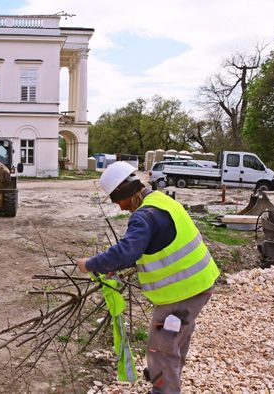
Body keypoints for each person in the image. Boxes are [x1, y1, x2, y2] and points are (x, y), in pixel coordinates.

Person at [76, 161, 219, 394]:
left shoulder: (143, 217)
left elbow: (125, 251)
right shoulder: (162, 202)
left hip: (179, 294)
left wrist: (90, 264)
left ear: (125, 193)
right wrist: (122, 264)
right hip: (200, 286)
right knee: (175, 341)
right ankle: (171, 380)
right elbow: (156, 243)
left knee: (160, 352)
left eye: (116, 200)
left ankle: (165, 389)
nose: (120, 208)